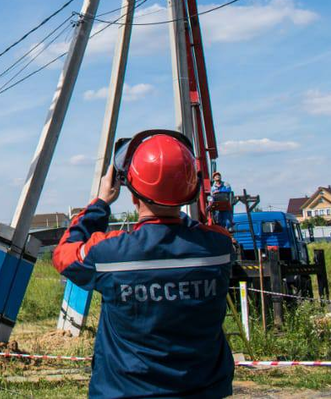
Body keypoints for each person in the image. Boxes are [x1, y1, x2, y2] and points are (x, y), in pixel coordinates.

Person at [54, 130, 235, 399]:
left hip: (124, 391)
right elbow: (197, 233)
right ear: (191, 187)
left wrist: (101, 203)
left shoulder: (110, 253)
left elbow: (63, 255)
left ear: (133, 193)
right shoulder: (219, 248)